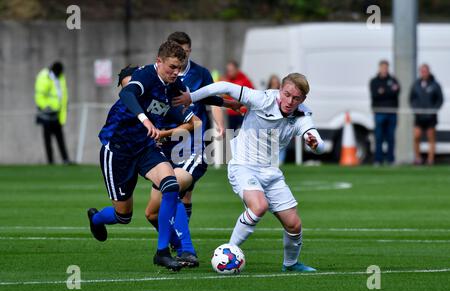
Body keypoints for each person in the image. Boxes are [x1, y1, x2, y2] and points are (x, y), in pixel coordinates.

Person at [173, 73, 324, 272]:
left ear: (302, 99)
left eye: (296, 98)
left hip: (271, 172)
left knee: (294, 225)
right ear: (280, 90)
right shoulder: (261, 99)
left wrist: (315, 144)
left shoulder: (303, 115)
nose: (289, 101)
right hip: (243, 166)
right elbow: (225, 86)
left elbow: (317, 142)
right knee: (259, 206)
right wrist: (191, 97)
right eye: (287, 94)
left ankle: (291, 264)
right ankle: (228, 251)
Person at [87, 41, 198, 271]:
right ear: (159, 62)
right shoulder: (146, 76)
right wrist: (145, 120)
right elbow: (128, 94)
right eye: (172, 67)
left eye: (179, 68)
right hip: (118, 150)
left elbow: (199, 100)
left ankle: (162, 252)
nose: (176, 72)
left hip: (146, 147)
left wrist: (229, 102)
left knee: (170, 186)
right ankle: (96, 219)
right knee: (123, 215)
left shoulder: (173, 84)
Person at [144, 32, 231, 262]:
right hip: (164, 147)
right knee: (152, 212)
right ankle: (176, 241)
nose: (183, 56)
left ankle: (186, 248)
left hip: (193, 143)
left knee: (176, 190)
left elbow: (212, 99)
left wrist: (220, 125)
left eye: (186, 51)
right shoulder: (157, 77)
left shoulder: (200, 73)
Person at [34, 61, 72, 165]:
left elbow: (62, 94)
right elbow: (40, 95)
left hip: (57, 114)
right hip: (46, 114)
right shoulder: (44, 76)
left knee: (60, 137)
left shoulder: (60, 77)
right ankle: (50, 161)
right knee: (47, 139)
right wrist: (46, 107)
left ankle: (65, 159)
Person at [410, 64, 444, 165]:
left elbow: (440, 99)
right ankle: (418, 158)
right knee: (416, 136)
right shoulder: (416, 84)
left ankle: (430, 159)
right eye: (422, 71)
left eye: (425, 71)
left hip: (431, 117)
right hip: (419, 117)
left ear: (429, 71)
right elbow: (411, 99)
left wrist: (433, 110)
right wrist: (416, 109)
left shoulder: (435, 84)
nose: (424, 73)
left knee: (431, 137)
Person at [369, 60, 400, 166]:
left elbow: (396, 91)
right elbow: (375, 94)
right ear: (379, 68)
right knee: (379, 137)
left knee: (391, 137)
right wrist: (388, 91)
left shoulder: (393, 80)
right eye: (383, 67)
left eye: (386, 67)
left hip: (391, 112)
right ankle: (378, 160)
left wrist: (383, 91)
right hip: (379, 112)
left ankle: (391, 160)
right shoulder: (374, 81)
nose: (384, 69)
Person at [223, 60, 254, 130]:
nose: (229, 73)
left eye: (231, 70)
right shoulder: (225, 79)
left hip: (243, 112)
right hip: (231, 113)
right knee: (232, 133)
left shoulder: (244, 79)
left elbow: (252, 93)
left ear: (237, 69)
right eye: (228, 70)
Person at [267, 75, 287, 164]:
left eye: (276, 83)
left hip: (281, 122)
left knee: (281, 142)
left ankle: (280, 161)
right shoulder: (266, 94)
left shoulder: (283, 95)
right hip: (270, 122)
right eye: (273, 83)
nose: (275, 85)